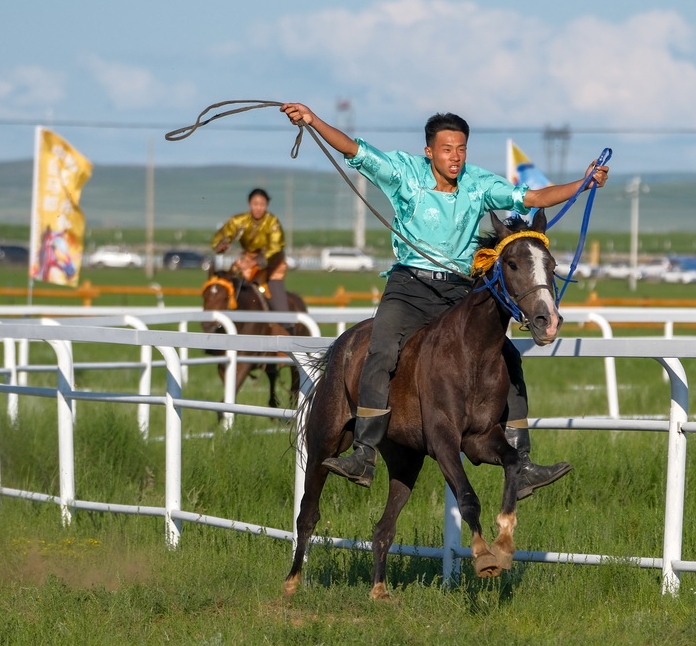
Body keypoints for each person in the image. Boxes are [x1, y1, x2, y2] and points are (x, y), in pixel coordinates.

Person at [280, 102, 610, 498]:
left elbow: (534, 197)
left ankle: (521, 464)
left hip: (458, 293)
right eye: (447, 149)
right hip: (408, 289)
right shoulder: (403, 173)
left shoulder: (481, 185)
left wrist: (583, 183)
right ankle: (364, 451)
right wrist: (313, 120)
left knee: (509, 357)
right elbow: (354, 150)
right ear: (429, 151)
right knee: (381, 351)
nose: (455, 157)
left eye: (462, 149)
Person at [211, 187, 291, 315]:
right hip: (246, 263)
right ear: (250, 204)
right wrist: (220, 245)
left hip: (272, 266)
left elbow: (275, 248)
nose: (258, 208)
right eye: (255, 204)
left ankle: (288, 327)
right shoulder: (239, 220)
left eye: (262, 204)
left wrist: (255, 262)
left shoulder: (272, 222)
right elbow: (223, 235)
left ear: (267, 205)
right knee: (225, 285)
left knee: (280, 308)